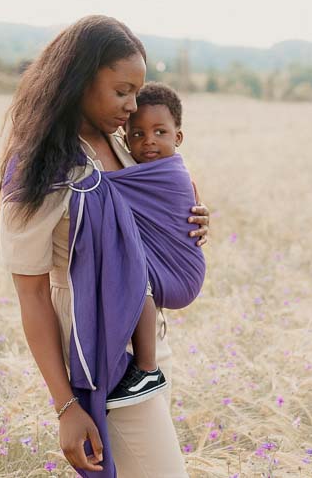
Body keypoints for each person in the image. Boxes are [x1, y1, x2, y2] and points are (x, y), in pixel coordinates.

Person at [0, 16, 209, 477]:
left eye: (137, 91)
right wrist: (66, 406)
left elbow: (146, 207)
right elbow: (31, 294)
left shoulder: (122, 142)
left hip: (150, 350)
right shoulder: (40, 169)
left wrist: (191, 217)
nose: (133, 107)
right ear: (78, 80)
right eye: (121, 91)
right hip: (99, 352)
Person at [104, 82, 188, 409]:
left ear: (177, 138)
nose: (149, 141)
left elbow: (101, 186)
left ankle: (147, 368)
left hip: (179, 273)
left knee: (134, 271)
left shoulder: (169, 173)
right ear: (125, 140)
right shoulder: (142, 170)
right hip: (170, 276)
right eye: (137, 135)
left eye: (159, 132)